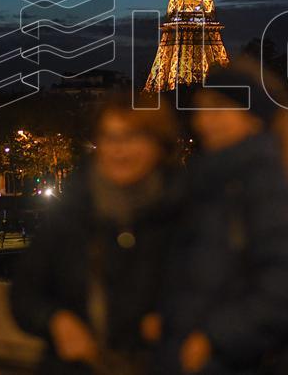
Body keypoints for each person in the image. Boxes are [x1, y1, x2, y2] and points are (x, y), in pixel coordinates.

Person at [160, 59, 288, 375]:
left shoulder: (256, 183)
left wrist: (212, 339)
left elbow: (282, 290)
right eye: (200, 110)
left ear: (253, 118)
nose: (203, 122)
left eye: (218, 110)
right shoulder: (216, 178)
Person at [10, 93, 181, 374]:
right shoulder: (73, 210)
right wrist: (55, 319)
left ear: (159, 143)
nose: (118, 149)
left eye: (132, 137)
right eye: (109, 137)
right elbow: (25, 292)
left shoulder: (187, 209)